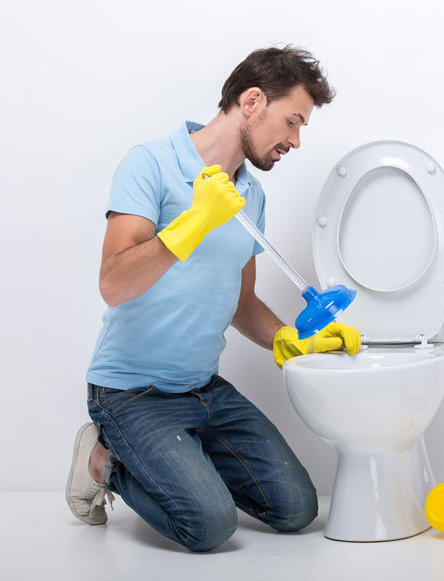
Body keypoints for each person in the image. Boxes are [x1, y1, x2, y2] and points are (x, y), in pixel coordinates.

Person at [65, 45, 361, 552]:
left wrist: (291, 340)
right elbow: (112, 283)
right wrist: (192, 223)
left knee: (297, 510)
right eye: (292, 122)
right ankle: (103, 460)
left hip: (202, 390)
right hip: (132, 394)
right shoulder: (151, 164)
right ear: (251, 102)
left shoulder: (252, 196)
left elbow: (242, 301)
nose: (294, 140)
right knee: (208, 527)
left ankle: (180, 458)